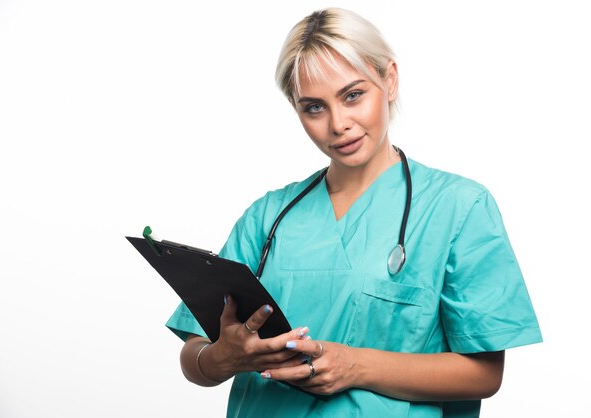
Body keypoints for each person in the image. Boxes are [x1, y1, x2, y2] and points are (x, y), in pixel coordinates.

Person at [165, 7, 542, 417]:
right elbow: (194, 355)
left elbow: (485, 374)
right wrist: (224, 358)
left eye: (352, 95)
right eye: (314, 107)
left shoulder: (458, 208)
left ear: (390, 80)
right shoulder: (267, 217)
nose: (338, 124)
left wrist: (356, 366)